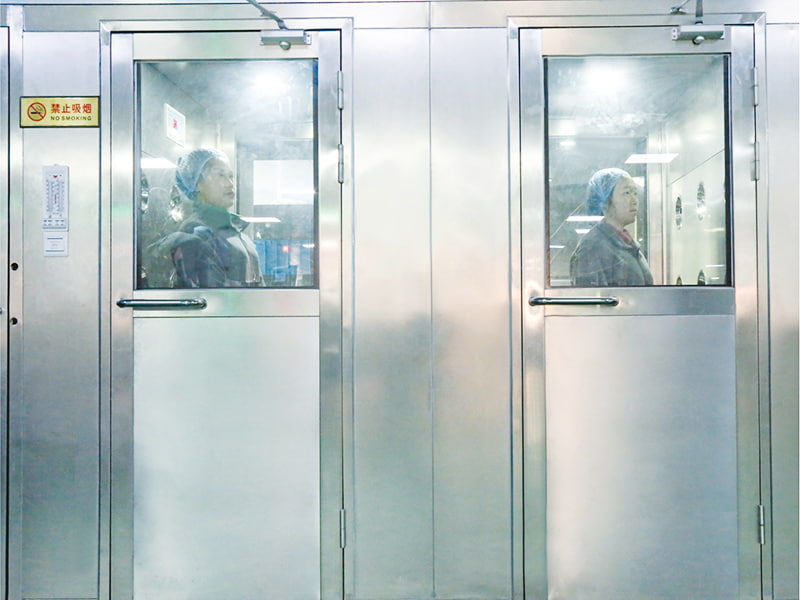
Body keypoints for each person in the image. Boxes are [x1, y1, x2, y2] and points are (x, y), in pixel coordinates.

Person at [151, 148, 264, 288]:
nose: (229, 183)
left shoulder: (235, 234)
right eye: (220, 175)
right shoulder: (196, 236)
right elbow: (209, 296)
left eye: (231, 176)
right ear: (197, 184)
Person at [569, 167, 654, 286]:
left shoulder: (629, 244)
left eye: (635, 193)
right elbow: (593, 296)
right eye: (627, 193)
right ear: (604, 202)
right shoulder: (591, 249)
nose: (634, 200)